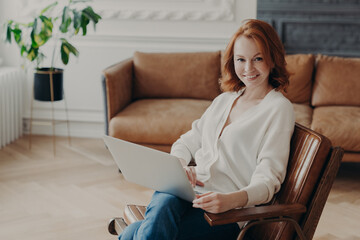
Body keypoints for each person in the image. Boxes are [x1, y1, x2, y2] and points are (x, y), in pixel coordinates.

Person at [116, 19, 295, 240]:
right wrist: (180, 167)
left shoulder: (278, 109)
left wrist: (231, 200)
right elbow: (185, 143)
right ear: (233, 61)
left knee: (134, 232)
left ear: (272, 59)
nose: (248, 68)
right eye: (241, 59)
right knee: (164, 200)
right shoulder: (224, 100)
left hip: (225, 214)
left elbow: (268, 181)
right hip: (188, 194)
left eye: (258, 59)